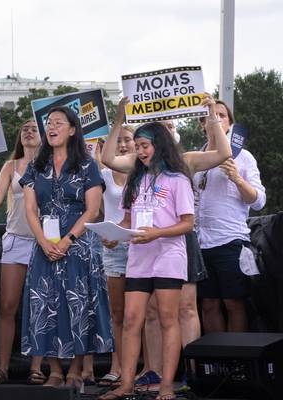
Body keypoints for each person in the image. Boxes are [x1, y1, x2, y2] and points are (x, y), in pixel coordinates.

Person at [101, 95, 233, 390]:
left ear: (167, 137)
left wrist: (211, 113)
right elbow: (108, 159)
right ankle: (155, 369)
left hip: (178, 241)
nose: (142, 147)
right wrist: (119, 118)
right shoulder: (138, 167)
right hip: (143, 247)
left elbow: (223, 152)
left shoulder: (185, 161)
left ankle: (192, 371)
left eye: (168, 124)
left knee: (184, 309)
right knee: (148, 312)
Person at [19, 106, 113, 391]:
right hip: (44, 245)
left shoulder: (87, 165)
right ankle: (55, 370)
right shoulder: (35, 166)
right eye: (49, 123)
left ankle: (75, 370)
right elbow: (31, 210)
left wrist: (67, 240)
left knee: (78, 305)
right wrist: (44, 241)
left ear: (73, 130)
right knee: (44, 305)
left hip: (79, 245)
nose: (52, 127)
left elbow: (93, 210)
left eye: (59, 123)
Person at [100, 122, 195, 400]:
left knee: (168, 319)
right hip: (138, 258)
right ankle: (126, 384)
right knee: (131, 319)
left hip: (168, 256)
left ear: (160, 145)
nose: (140, 152)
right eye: (138, 147)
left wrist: (158, 233)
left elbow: (188, 223)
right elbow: (128, 220)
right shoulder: (134, 180)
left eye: (145, 146)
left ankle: (167, 385)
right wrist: (114, 235)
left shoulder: (178, 179)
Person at [0, 119, 47, 385]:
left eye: (33, 128)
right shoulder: (11, 165)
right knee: (7, 306)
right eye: (24, 129)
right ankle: (3, 368)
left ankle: (36, 367)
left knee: (39, 305)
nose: (28, 132)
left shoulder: (53, 165)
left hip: (44, 243)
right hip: (16, 241)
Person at [193, 100, 265, 334]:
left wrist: (237, 178)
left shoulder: (244, 158)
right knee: (208, 303)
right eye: (209, 115)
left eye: (221, 115)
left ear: (229, 123)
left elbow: (258, 201)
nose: (215, 119)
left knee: (233, 302)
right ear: (203, 124)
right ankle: (216, 363)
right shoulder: (196, 157)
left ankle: (238, 362)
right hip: (200, 242)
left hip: (230, 240)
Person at [95, 125, 134, 388]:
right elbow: (97, 212)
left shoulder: (143, 175)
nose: (122, 145)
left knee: (141, 311)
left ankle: (142, 367)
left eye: (127, 140)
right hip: (112, 248)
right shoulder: (103, 176)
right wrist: (104, 234)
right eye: (117, 140)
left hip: (142, 245)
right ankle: (116, 365)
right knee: (117, 312)